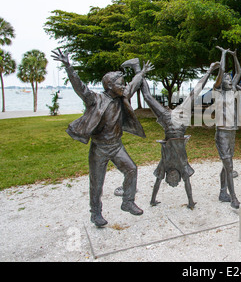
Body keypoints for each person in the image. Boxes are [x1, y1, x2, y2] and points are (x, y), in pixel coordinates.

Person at [51, 49, 149, 227]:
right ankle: (95, 213)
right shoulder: (95, 99)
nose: (124, 86)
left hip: (116, 146)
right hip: (100, 148)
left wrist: (141, 73)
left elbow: (134, 84)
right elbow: (80, 87)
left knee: (131, 169)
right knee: (97, 183)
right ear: (110, 86)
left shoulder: (122, 96)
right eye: (120, 83)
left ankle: (127, 202)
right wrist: (68, 66)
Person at [115, 58, 220, 209]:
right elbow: (188, 185)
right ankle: (210, 70)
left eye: (169, 180)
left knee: (148, 97)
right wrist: (190, 203)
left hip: (166, 119)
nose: (172, 178)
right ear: (178, 178)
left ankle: (137, 68)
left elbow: (157, 183)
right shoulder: (184, 168)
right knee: (195, 92)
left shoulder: (163, 166)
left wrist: (152, 200)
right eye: (174, 181)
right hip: (180, 116)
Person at [213, 46, 241, 209]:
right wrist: (224, 55)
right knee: (229, 165)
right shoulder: (218, 91)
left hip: (232, 133)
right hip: (222, 134)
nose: (230, 80)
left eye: (230, 79)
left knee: (226, 164)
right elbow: (222, 70)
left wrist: (235, 56)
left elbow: (238, 72)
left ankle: (223, 192)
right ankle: (233, 198)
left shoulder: (231, 91)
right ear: (221, 83)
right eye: (227, 79)